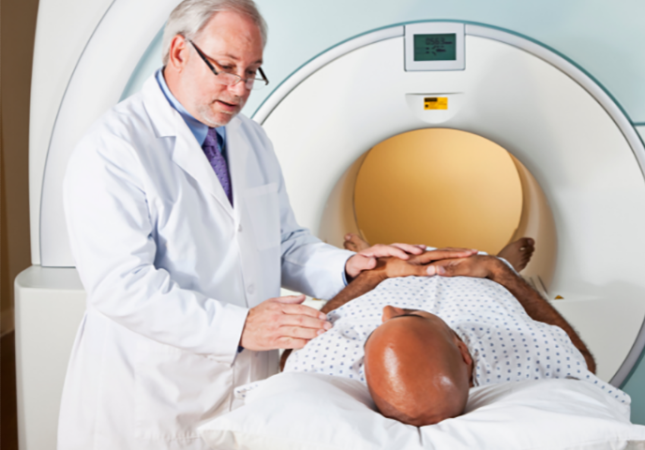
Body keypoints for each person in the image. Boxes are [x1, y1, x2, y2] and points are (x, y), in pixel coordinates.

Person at [57, 1, 472, 448]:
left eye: (252, 72)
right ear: (179, 51)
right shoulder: (113, 148)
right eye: (226, 67)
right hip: (152, 394)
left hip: (246, 386)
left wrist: (352, 265)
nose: (239, 88)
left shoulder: (248, 138)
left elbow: (282, 243)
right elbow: (120, 285)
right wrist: (239, 328)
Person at [282, 246, 629, 427]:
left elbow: (288, 361)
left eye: (380, 327)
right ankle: (507, 260)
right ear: (463, 351)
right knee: (487, 259)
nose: (388, 310)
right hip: (479, 281)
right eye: (407, 315)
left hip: (392, 276)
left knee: (378, 259)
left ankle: (367, 251)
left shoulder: (333, 362)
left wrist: (374, 277)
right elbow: (584, 362)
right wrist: (497, 272)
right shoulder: (524, 358)